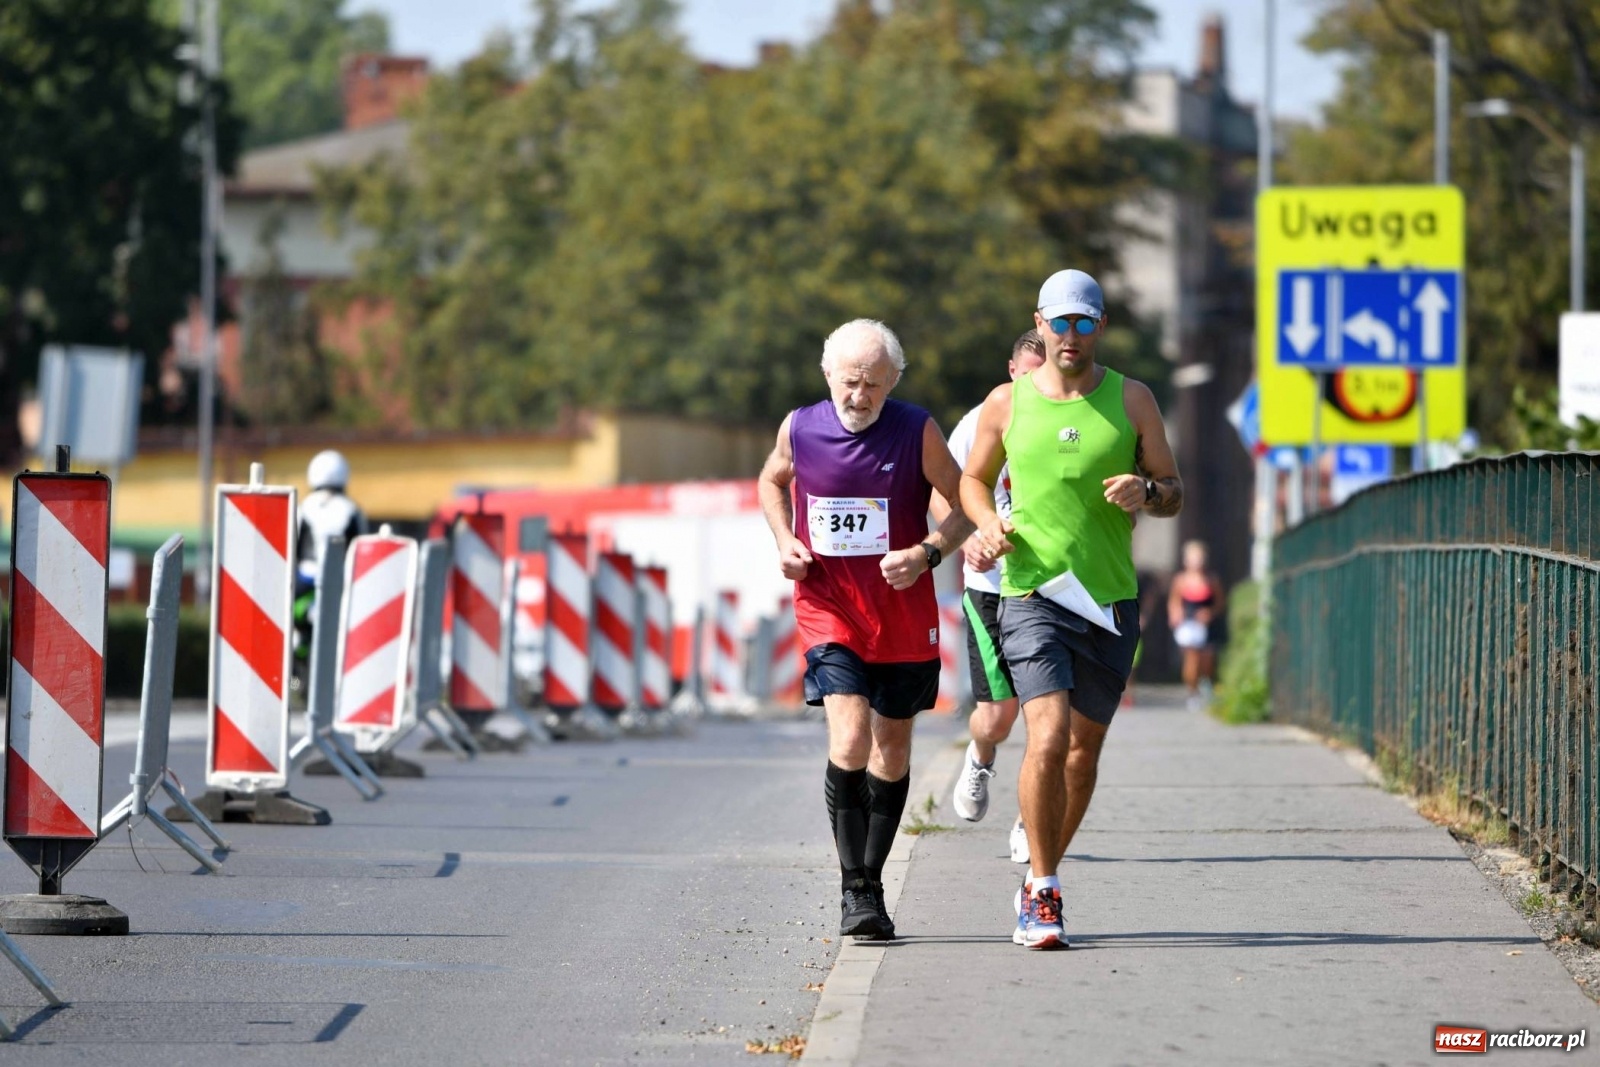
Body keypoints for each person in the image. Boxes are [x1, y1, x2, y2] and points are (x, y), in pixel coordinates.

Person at [961, 269, 1182, 950]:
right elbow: (971, 479)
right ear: (1042, 321)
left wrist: (1147, 489)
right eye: (1061, 322)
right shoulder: (1008, 402)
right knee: (1047, 737)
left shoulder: (1133, 400)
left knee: (1083, 753)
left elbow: (1174, 489)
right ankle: (1043, 888)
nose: (1071, 336)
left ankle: (1042, 862)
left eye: (1085, 323)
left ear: (1100, 328)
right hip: (1032, 594)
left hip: (1109, 599)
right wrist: (984, 526)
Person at [758, 319, 972, 941]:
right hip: (829, 607)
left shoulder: (917, 429)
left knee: (893, 749)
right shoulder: (800, 427)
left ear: (894, 381)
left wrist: (928, 553)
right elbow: (772, 480)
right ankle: (857, 887)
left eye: (875, 385)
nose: (860, 396)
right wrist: (785, 539)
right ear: (828, 376)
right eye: (850, 382)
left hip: (902, 614)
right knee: (850, 737)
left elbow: (965, 503)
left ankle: (870, 882)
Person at [935, 331, 1046, 868]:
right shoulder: (984, 417)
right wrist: (971, 535)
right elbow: (946, 490)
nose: (1033, 386)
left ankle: (1031, 822)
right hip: (991, 590)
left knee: (1049, 719)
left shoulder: (1073, 416)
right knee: (999, 717)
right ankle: (980, 757)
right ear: (1010, 370)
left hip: (1054, 588)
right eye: (1024, 375)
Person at [292, 450, 369, 680]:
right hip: (341, 582)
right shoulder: (352, 510)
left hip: (305, 581)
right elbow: (360, 549)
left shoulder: (303, 507)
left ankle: (294, 675)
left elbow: (291, 547)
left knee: (288, 624)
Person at [1168, 540, 1223, 711]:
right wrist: (1175, 614)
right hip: (1189, 626)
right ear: (1186, 560)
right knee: (1192, 659)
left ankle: (1206, 682)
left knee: (1207, 660)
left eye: (1199, 558)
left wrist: (1210, 613)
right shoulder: (1180, 580)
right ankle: (1192, 692)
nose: (1196, 561)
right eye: (1193, 558)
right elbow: (1174, 602)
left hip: (1207, 626)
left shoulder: (1212, 580)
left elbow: (1220, 603)